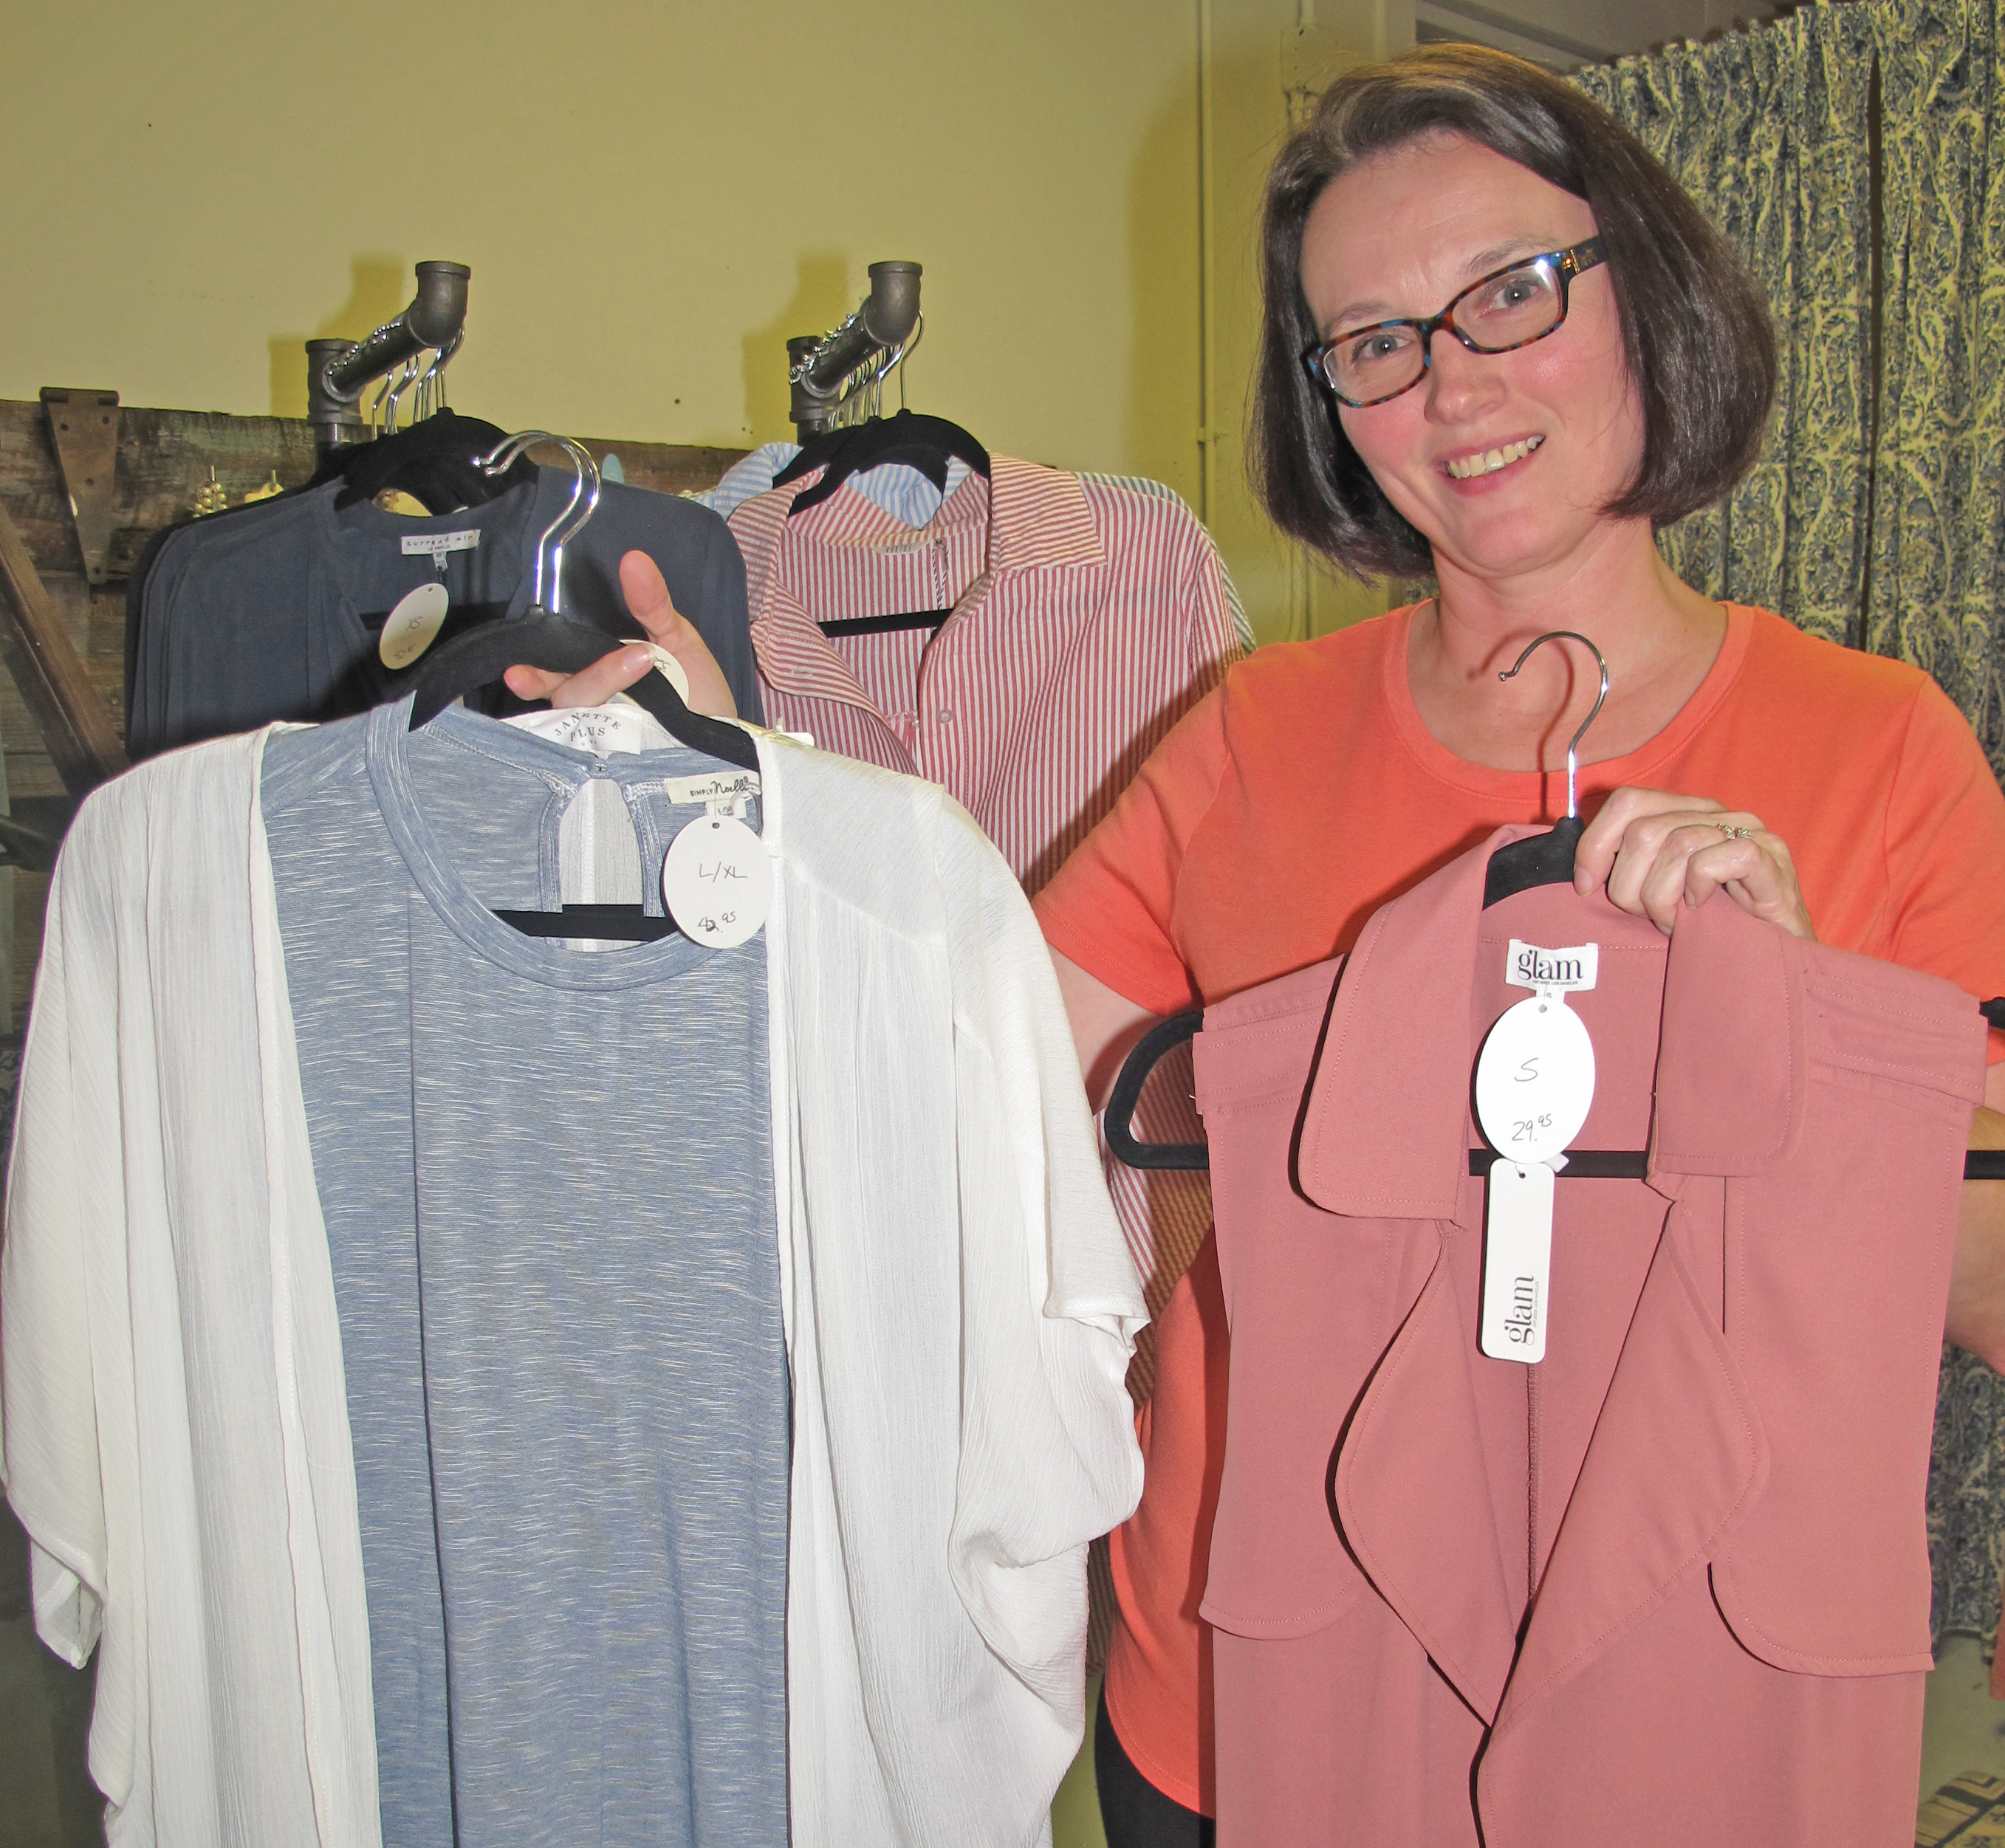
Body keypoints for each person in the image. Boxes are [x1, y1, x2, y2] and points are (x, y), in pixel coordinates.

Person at [518, 44, 2005, 1845]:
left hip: (1686, 1713)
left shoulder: (1879, 753)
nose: (1451, 385)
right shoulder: (1253, 733)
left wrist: (1811, 1028)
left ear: (1645, 294)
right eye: (1372, 340)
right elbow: (947, 1059)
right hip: (1248, 1691)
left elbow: (1979, 1286)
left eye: (1509, 293)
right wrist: (738, 802)